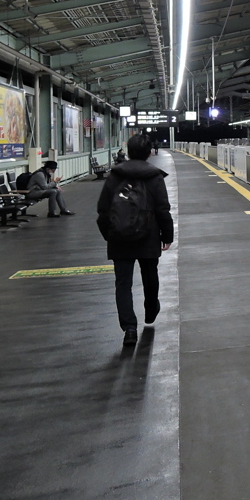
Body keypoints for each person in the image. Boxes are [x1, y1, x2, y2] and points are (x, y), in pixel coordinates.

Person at [96, 134, 174, 347]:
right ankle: (151, 309)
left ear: (128, 151)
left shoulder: (114, 176)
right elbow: (162, 209)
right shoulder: (155, 177)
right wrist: (167, 236)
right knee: (150, 276)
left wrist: (109, 234)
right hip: (148, 237)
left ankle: (129, 328)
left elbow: (103, 210)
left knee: (123, 284)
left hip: (119, 239)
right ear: (149, 152)